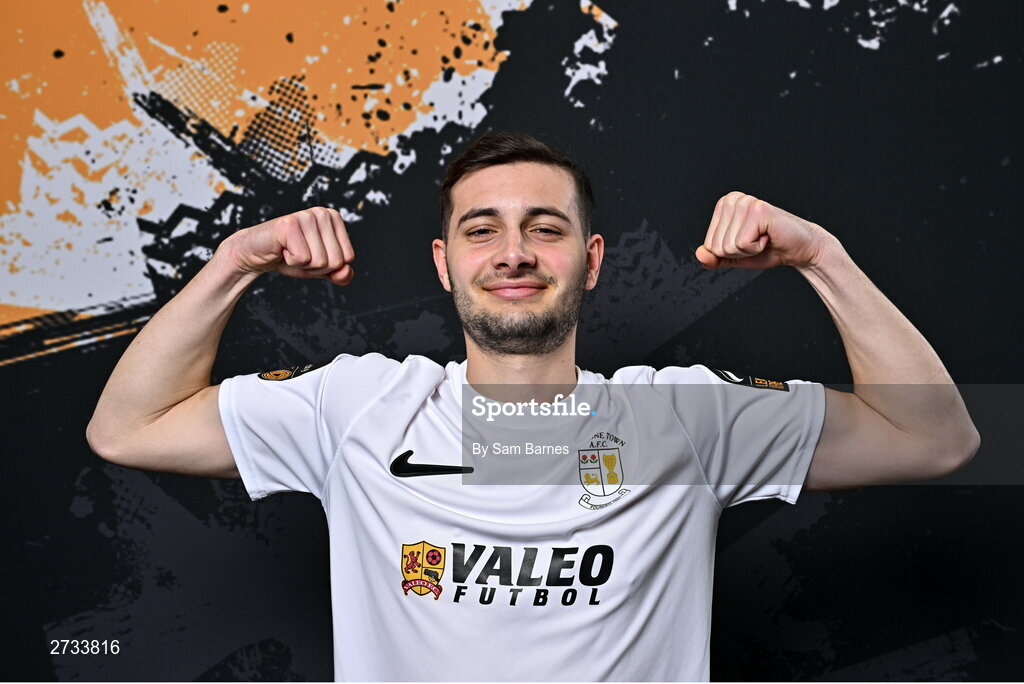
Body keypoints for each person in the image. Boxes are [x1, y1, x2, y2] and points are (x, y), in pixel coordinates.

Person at [87, 131, 979, 681]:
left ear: (591, 262)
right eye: (482, 230)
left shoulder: (688, 419)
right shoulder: (359, 406)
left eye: (544, 229)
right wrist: (235, 263)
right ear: (445, 265)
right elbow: (126, 427)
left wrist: (820, 257)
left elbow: (936, 439)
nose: (513, 253)